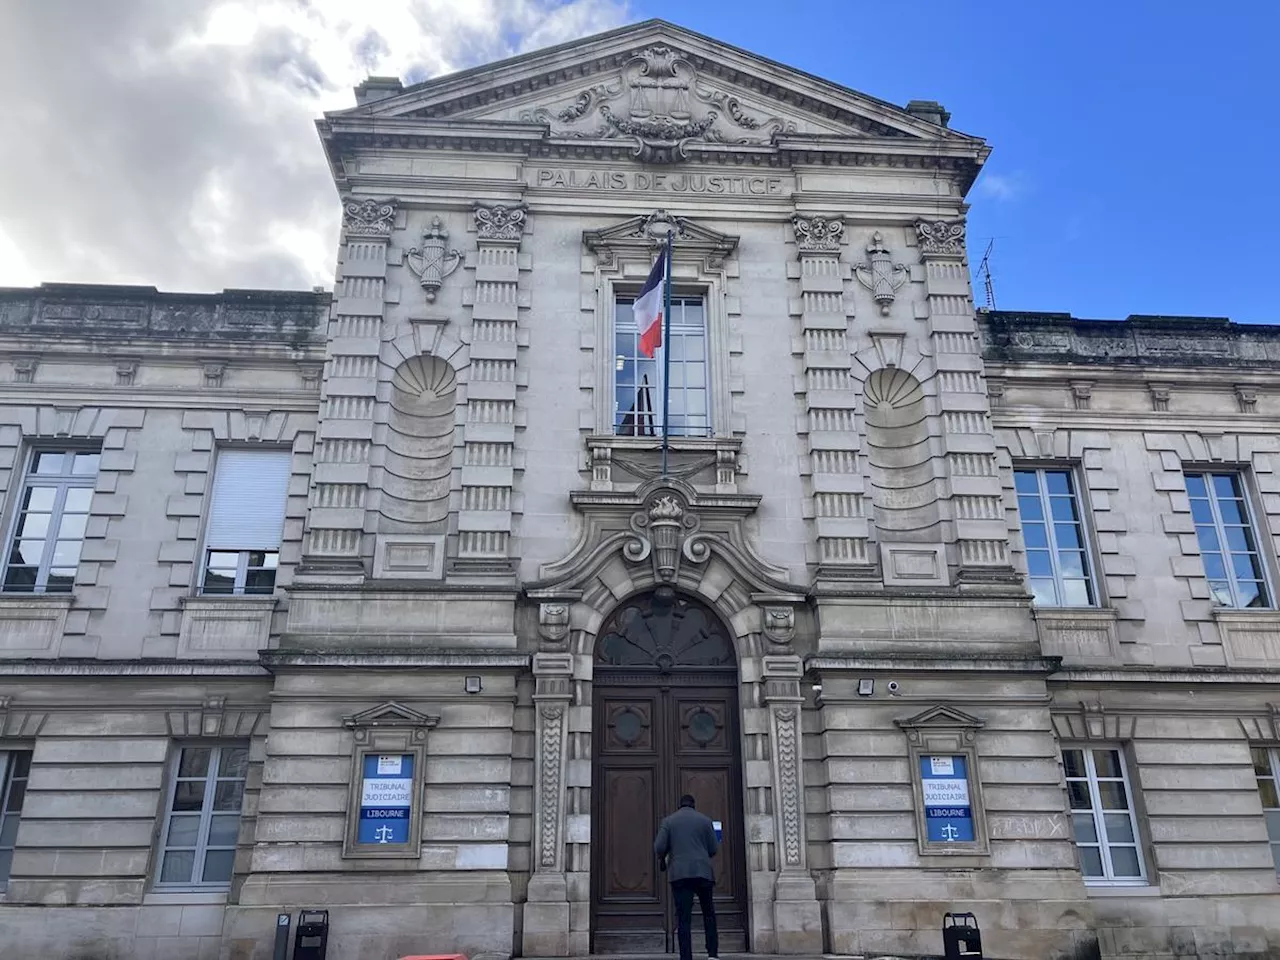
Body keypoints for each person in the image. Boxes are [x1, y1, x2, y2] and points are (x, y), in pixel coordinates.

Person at [654, 794, 720, 960]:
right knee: (708, 913)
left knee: (683, 917)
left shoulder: (669, 821)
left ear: (680, 805)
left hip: (680, 874)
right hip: (703, 872)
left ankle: (686, 956)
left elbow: (659, 846)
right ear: (694, 805)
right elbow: (713, 848)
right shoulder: (705, 821)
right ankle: (712, 953)